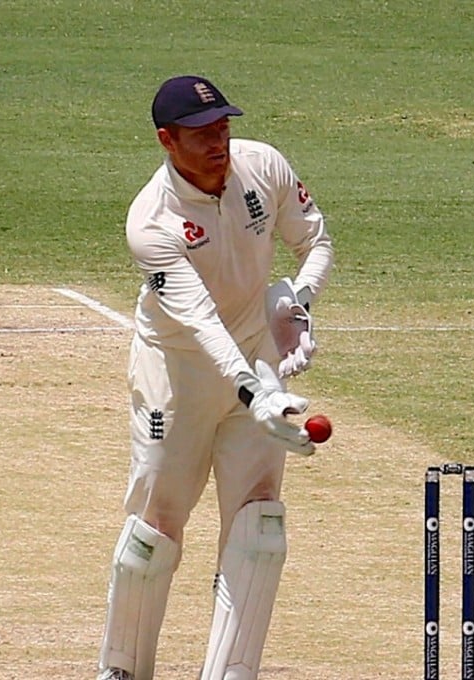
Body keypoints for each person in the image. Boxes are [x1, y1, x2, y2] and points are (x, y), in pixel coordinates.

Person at [97, 75, 334, 680]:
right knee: (156, 531)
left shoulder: (263, 165)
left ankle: (231, 673)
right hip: (176, 374)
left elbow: (317, 241)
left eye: (223, 127)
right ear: (167, 141)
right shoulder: (151, 222)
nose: (218, 142)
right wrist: (255, 392)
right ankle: (124, 670)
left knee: (261, 527)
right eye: (202, 134)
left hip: (252, 355)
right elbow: (200, 322)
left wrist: (296, 303)